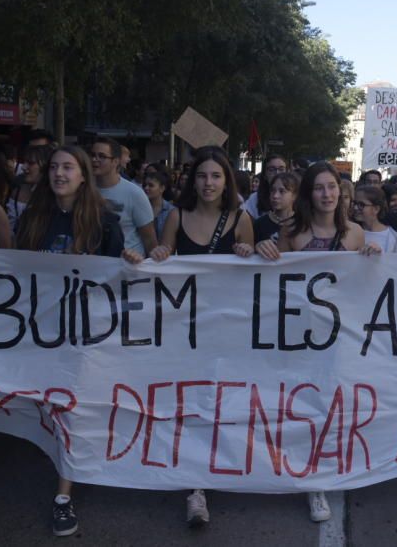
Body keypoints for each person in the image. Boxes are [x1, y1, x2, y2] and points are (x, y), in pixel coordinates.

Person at [255, 161, 379, 523]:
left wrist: (371, 260)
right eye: (319, 188)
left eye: (332, 187)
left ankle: (326, 470)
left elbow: (361, 286)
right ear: (309, 194)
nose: (327, 194)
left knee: (333, 403)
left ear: (341, 192)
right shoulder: (292, 231)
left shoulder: (356, 233)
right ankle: (312, 480)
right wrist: (262, 249)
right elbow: (271, 274)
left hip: (340, 335)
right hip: (299, 334)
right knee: (304, 403)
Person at [138, 145, 254, 528]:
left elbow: (255, 269)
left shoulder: (240, 219)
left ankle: (215, 470)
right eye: (202, 176)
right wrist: (157, 254)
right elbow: (164, 256)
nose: (208, 183)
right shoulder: (176, 216)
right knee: (189, 405)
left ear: (227, 181)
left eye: (216, 176)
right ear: (192, 180)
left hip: (227, 331)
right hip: (183, 332)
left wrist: (247, 251)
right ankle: (195, 487)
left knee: (220, 404)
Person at [15, 146, 125, 536]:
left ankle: (64, 494)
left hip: (86, 334)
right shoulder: (32, 219)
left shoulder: (106, 222)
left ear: (83, 176)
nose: (60, 174)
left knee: (71, 407)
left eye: (68, 167)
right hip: (40, 331)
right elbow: (14, 269)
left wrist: (131, 261)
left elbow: (118, 282)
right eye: (55, 167)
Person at [90, 137, 156, 256]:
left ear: (115, 161)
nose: (95, 160)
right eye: (92, 155)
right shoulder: (82, 190)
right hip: (92, 266)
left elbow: (149, 239)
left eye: (102, 156)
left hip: (126, 266)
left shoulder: (135, 193)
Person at [6, 144, 52, 232]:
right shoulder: (17, 192)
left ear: (46, 166)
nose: (23, 167)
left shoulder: (59, 195)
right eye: (24, 162)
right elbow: (11, 232)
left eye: (31, 163)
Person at [352, 185, 397, 253]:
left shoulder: (392, 237)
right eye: (354, 203)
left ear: (376, 209)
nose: (355, 208)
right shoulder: (349, 231)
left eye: (361, 205)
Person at [253, 171, 299, 244]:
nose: (275, 196)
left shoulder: (301, 223)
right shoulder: (259, 224)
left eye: (282, 191)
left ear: (294, 195)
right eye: (272, 190)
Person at [244, 155, 286, 219]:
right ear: (265, 174)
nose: (277, 173)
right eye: (272, 170)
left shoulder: (296, 197)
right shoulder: (254, 199)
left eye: (281, 169)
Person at [142, 169, 175, 243]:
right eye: (144, 185)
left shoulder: (172, 211)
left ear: (162, 188)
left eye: (151, 185)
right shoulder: (139, 208)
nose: (146, 188)